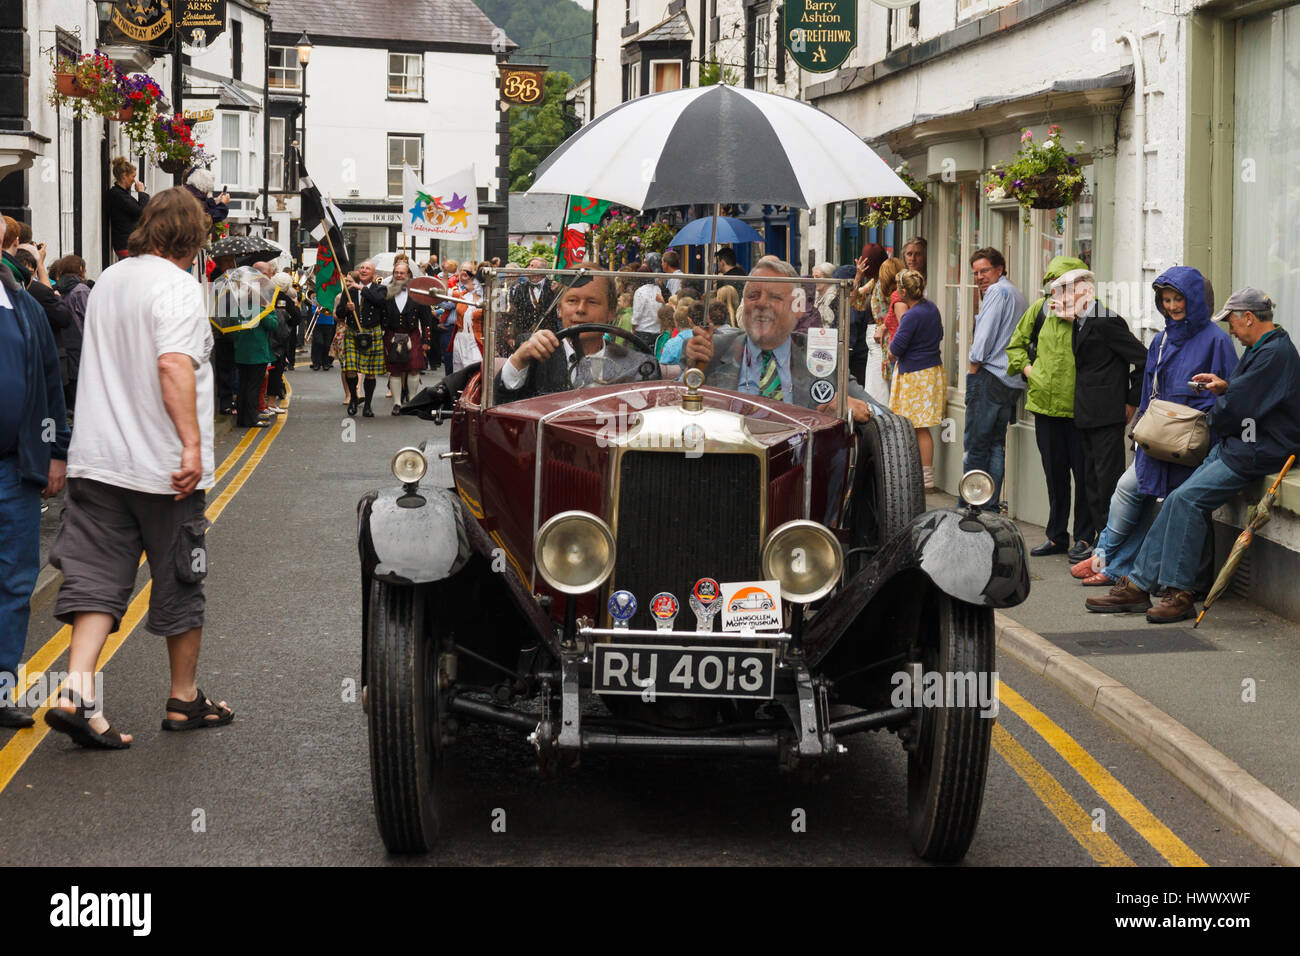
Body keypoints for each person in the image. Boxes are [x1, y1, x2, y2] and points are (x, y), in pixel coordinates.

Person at [45, 187, 232, 749]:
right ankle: (183, 698)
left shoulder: (110, 280)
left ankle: (76, 692)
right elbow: (173, 364)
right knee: (181, 576)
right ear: (193, 237)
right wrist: (192, 447)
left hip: (99, 460)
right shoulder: (176, 286)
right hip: (162, 468)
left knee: (96, 578)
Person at [1088, 287, 1300, 623]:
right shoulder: (1264, 348)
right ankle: (1139, 584)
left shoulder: (1274, 353)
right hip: (1242, 444)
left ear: (1249, 317)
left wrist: (1215, 414)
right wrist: (1224, 387)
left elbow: (1241, 407)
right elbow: (1248, 394)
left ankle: (1180, 594)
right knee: (1176, 500)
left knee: (1186, 500)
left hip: (1255, 449)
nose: (1230, 329)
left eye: (1233, 321)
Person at [0, 215, 69, 729]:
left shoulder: (23, 303)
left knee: (15, 582)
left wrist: (56, 452)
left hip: (14, 469)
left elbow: (49, 381)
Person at [683, 258, 874, 422]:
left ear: (797, 308)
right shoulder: (711, 350)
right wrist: (693, 372)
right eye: (753, 295)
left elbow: (884, 416)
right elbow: (672, 404)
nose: (761, 304)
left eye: (775, 297)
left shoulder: (821, 356)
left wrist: (862, 409)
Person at [1005, 256, 1093, 557]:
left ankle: (1084, 537)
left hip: (1081, 409)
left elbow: (1107, 352)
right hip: (1045, 407)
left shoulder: (1094, 313)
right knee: (1055, 476)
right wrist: (1030, 372)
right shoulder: (1039, 310)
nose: (1059, 292)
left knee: (1084, 477)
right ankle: (1056, 536)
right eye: (1055, 286)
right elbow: (1015, 345)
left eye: (1067, 286)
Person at [1058, 269, 1147, 560]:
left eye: (1066, 292)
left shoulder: (1106, 320)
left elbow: (1143, 359)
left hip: (1107, 414)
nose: (1060, 299)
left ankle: (1112, 546)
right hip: (1086, 412)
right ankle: (1101, 541)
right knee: (1091, 481)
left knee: (1107, 481)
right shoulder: (1079, 323)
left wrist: (1131, 402)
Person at [963, 247, 1027, 506]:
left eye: (984, 270)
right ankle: (988, 505)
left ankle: (969, 506)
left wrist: (971, 372)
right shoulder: (1014, 293)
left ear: (999, 269)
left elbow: (983, 341)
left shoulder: (997, 292)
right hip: (1009, 380)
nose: (979, 277)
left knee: (976, 447)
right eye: (976, 272)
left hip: (989, 377)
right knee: (996, 445)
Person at [497, 275, 627, 400]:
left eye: (592, 302)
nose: (581, 309)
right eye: (572, 301)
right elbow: (502, 401)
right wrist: (518, 360)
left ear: (611, 313)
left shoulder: (627, 361)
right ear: (559, 310)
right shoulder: (535, 352)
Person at [888, 269, 946, 491]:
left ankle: (924, 479)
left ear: (904, 291)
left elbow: (896, 347)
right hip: (930, 371)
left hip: (915, 375)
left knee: (917, 427)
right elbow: (939, 334)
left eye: (898, 288)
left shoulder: (912, 315)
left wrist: (890, 354)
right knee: (920, 427)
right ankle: (925, 476)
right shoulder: (931, 308)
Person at [336, 259, 387, 417]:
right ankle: (353, 399)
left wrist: (360, 288)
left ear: (373, 274)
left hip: (372, 333)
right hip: (353, 333)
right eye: (362, 268)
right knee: (350, 369)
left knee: (371, 372)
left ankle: (368, 406)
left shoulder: (381, 289)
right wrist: (346, 308)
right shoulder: (349, 290)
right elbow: (338, 314)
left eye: (367, 269)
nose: (364, 270)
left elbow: (378, 301)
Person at [384, 260, 433, 412]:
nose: (398, 275)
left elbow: (426, 320)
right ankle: (397, 403)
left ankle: (412, 401)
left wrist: (426, 340)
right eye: (396, 273)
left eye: (402, 273)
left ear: (409, 275)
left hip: (412, 334)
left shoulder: (418, 293)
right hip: (392, 334)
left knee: (413, 369)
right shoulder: (385, 293)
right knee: (395, 369)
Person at [51, 254, 90, 412]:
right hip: (81, 345)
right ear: (80, 269)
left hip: (64, 345)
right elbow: (89, 318)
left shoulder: (56, 288)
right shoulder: (81, 290)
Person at [107, 156, 149, 260]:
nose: (134, 180)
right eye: (133, 176)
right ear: (124, 176)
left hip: (129, 244)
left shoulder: (122, 194)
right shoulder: (118, 195)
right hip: (125, 245)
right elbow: (141, 211)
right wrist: (141, 192)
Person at [510, 257, 558, 336]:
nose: (528, 268)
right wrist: (512, 335)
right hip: (524, 335)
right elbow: (515, 313)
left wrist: (558, 290)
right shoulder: (520, 288)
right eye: (529, 265)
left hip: (548, 335)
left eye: (532, 266)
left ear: (541, 271)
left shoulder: (553, 286)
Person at [631, 263, 665, 349]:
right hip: (657, 332)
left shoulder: (640, 292)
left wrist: (633, 329)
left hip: (642, 332)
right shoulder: (658, 289)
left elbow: (637, 315)